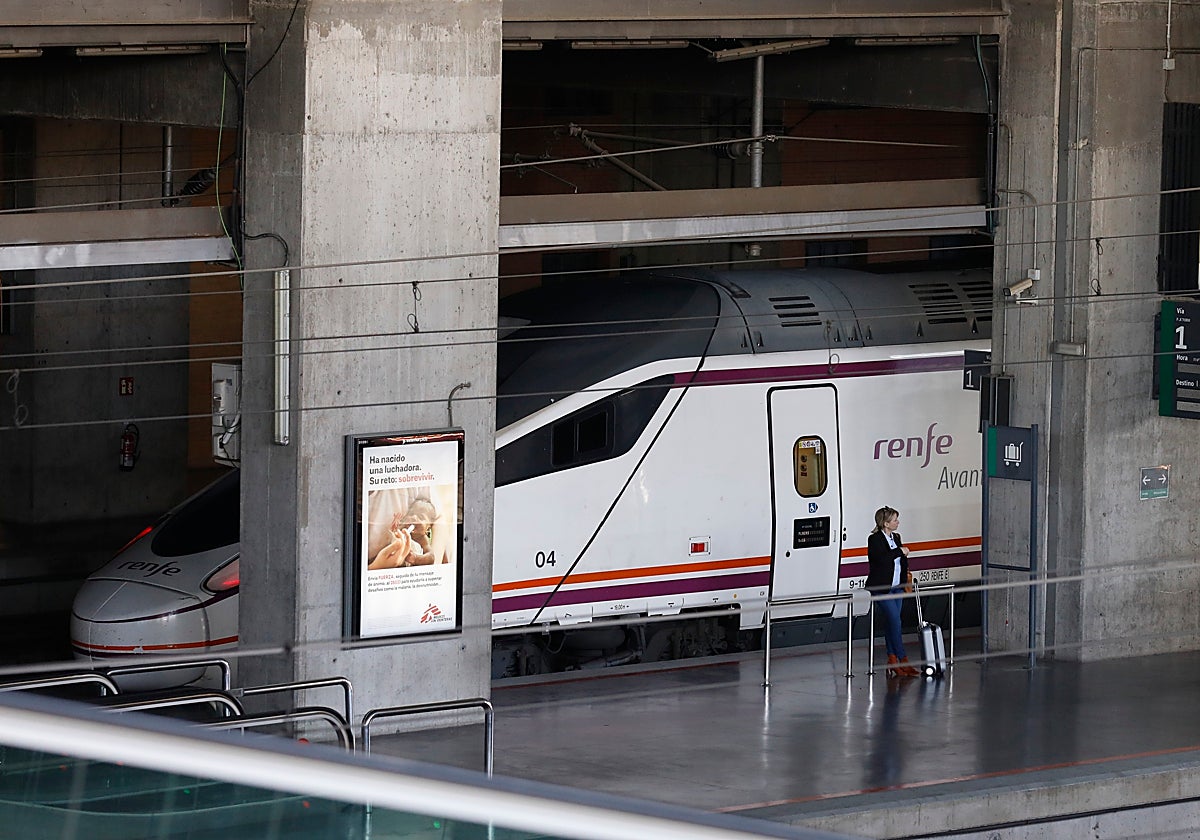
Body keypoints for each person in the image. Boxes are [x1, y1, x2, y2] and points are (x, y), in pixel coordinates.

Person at [866, 506, 918, 678]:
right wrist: (899, 551)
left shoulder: (896, 537)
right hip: (882, 588)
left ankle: (892, 658)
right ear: (886, 523)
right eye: (895, 520)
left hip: (897, 587)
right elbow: (880, 560)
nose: (898, 522)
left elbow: (899, 563)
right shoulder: (874, 540)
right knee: (896, 621)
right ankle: (902, 658)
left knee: (892, 622)